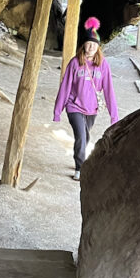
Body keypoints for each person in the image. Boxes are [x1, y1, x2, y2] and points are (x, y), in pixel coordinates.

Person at [53, 17, 119, 180]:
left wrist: (114, 114)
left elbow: (109, 90)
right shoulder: (75, 63)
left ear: (98, 47)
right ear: (83, 45)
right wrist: (58, 110)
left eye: (94, 45)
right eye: (88, 44)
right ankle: (79, 168)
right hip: (74, 106)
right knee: (81, 136)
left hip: (92, 109)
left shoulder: (103, 65)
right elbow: (65, 86)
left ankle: (79, 158)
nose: (91, 48)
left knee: (86, 136)